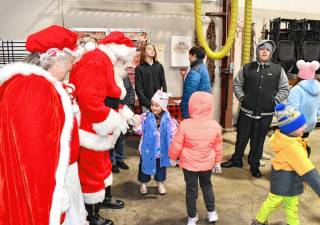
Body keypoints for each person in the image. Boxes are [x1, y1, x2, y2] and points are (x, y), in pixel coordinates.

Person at [0, 25, 86, 225]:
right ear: (56, 62)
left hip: (58, 179)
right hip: (47, 190)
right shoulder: (35, 89)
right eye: (71, 63)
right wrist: (49, 206)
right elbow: (34, 158)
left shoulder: (30, 85)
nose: (71, 68)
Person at [70, 31, 136, 225]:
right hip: (93, 128)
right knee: (92, 171)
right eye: (125, 61)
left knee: (103, 166)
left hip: (101, 125)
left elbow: (110, 97)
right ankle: (92, 215)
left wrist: (124, 114)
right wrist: (111, 120)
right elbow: (90, 99)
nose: (126, 65)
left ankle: (103, 200)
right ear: (118, 53)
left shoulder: (105, 62)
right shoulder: (96, 61)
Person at [221, 40, 289, 178]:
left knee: (258, 141)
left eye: (267, 50)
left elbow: (284, 89)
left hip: (266, 114)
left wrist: (274, 101)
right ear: (257, 51)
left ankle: (254, 165)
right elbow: (237, 84)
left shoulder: (278, 70)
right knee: (241, 138)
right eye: (262, 49)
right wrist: (243, 98)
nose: (264, 51)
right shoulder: (247, 68)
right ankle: (236, 160)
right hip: (246, 112)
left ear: (271, 53)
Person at [251, 103, 320, 225]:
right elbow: (309, 172)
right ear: (290, 129)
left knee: (291, 204)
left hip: (289, 178)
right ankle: (259, 221)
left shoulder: (286, 138)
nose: (304, 126)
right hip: (284, 181)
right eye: (300, 125)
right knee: (273, 202)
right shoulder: (292, 147)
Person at [169, 91, 223, 225]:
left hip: (189, 165)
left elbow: (177, 144)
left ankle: (192, 218)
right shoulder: (215, 126)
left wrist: (172, 157)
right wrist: (217, 162)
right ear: (210, 107)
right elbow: (218, 147)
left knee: (191, 190)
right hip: (207, 164)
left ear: (191, 106)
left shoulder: (185, 124)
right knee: (207, 186)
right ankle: (212, 213)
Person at [133, 90, 177, 195]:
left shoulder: (169, 120)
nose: (153, 107)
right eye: (152, 105)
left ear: (163, 107)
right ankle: (143, 183)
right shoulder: (145, 117)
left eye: (157, 106)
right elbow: (139, 131)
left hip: (161, 150)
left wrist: (172, 145)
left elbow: (173, 133)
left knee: (161, 168)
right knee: (144, 165)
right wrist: (137, 123)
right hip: (147, 149)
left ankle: (160, 182)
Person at [287, 60, 320, 141]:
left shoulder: (297, 89)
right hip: (310, 123)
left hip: (297, 125)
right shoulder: (318, 88)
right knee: (302, 144)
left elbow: (292, 109)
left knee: (294, 148)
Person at [110, 73, 135, 173]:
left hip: (124, 110)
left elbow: (131, 92)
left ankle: (120, 159)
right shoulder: (108, 75)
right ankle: (112, 162)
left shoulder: (124, 76)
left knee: (121, 136)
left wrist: (128, 105)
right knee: (112, 137)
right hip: (112, 110)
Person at [180, 46, 211, 119]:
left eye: (189, 55)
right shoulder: (202, 67)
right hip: (202, 107)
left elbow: (189, 93)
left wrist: (185, 111)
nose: (189, 58)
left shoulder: (195, 71)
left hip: (195, 110)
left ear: (194, 56)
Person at [135, 43, 167, 112]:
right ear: (144, 52)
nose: (152, 51)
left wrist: (162, 101)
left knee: (158, 122)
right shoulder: (139, 68)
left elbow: (164, 85)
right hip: (146, 105)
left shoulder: (159, 66)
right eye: (149, 49)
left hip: (158, 104)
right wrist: (149, 104)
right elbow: (138, 89)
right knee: (148, 122)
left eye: (153, 49)